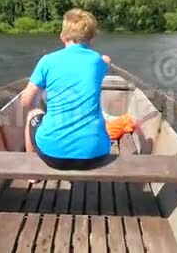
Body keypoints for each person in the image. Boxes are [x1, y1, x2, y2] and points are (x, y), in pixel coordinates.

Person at [21, 9, 111, 173]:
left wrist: (38, 103)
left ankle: (32, 174)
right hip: (96, 155)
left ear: (62, 36)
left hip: (53, 155)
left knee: (32, 115)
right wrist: (105, 61)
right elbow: (104, 63)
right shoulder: (98, 61)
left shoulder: (47, 61)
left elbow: (25, 102)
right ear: (91, 40)